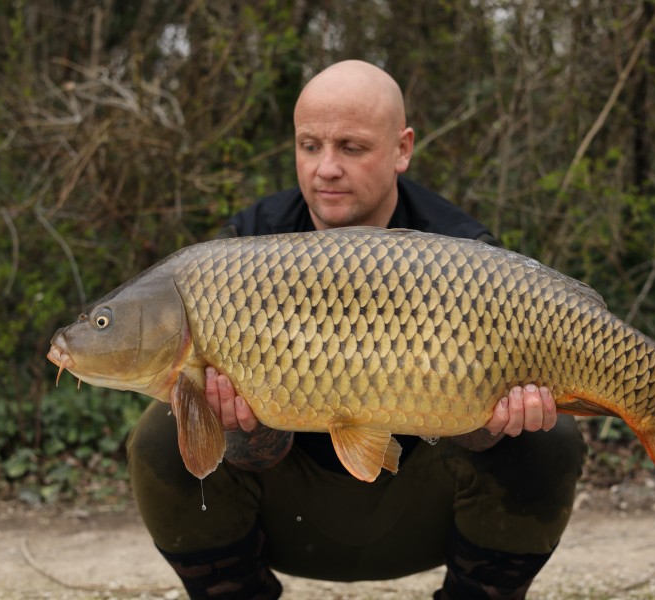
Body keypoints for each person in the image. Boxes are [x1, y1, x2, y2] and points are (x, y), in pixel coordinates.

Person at [127, 60, 586, 600]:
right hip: (291, 518)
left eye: (351, 147)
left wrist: (496, 420)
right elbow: (250, 454)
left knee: (547, 438)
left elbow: (478, 437)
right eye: (309, 145)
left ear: (402, 148)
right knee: (163, 432)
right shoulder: (244, 250)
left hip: (423, 510)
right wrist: (242, 427)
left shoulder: (463, 254)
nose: (325, 169)